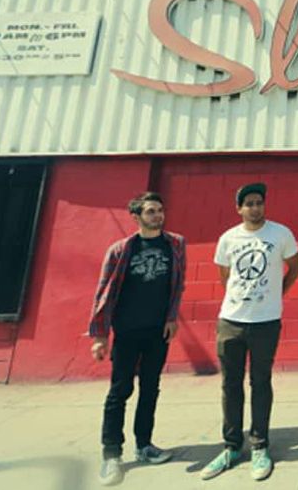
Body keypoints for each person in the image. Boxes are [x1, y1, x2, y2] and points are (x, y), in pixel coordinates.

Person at [201, 182, 298, 482]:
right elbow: (225, 275)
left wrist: (275, 295)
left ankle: (259, 445)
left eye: (259, 202)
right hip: (230, 321)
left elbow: (294, 268)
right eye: (249, 204)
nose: (255, 208)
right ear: (239, 208)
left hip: (266, 322)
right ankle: (232, 446)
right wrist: (241, 299)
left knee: (261, 382)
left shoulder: (281, 234)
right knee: (230, 384)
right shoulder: (228, 238)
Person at [88, 191, 186, 487]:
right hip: (127, 331)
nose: (158, 215)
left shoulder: (176, 244)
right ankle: (112, 454)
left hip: (158, 331)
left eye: (160, 210)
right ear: (136, 216)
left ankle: (144, 445)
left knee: (150, 389)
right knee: (120, 391)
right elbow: (104, 292)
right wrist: (100, 335)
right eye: (151, 211)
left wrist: (172, 318)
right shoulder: (121, 250)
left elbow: (177, 285)